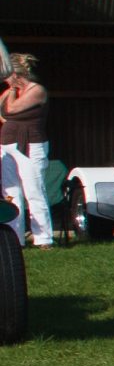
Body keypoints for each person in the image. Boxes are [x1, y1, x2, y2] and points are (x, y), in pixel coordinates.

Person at [2, 52, 54, 247]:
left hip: (30, 145)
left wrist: (13, 92)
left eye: (6, 75)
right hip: (8, 144)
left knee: (33, 190)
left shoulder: (36, 90)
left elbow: (14, 109)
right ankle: (15, 237)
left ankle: (44, 237)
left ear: (16, 73)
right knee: (11, 192)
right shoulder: (9, 91)